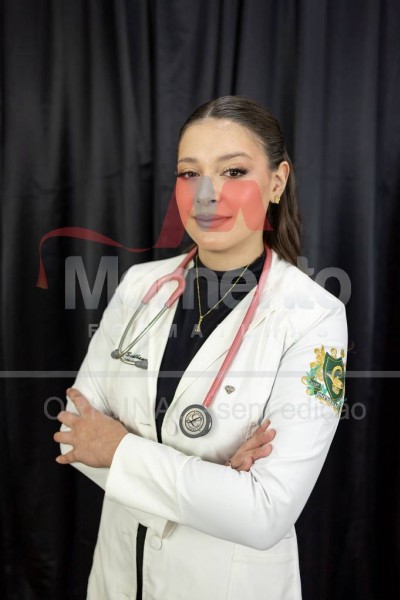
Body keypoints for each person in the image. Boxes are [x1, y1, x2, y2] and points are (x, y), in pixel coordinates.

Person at [54, 95, 347, 599]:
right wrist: (215, 481)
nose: (207, 194)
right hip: (117, 579)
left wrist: (119, 449)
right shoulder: (139, 286)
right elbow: (73, 438)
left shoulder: (314, 316)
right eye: (190, 173)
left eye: (233, 171)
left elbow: (264, 514)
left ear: (277, 182)